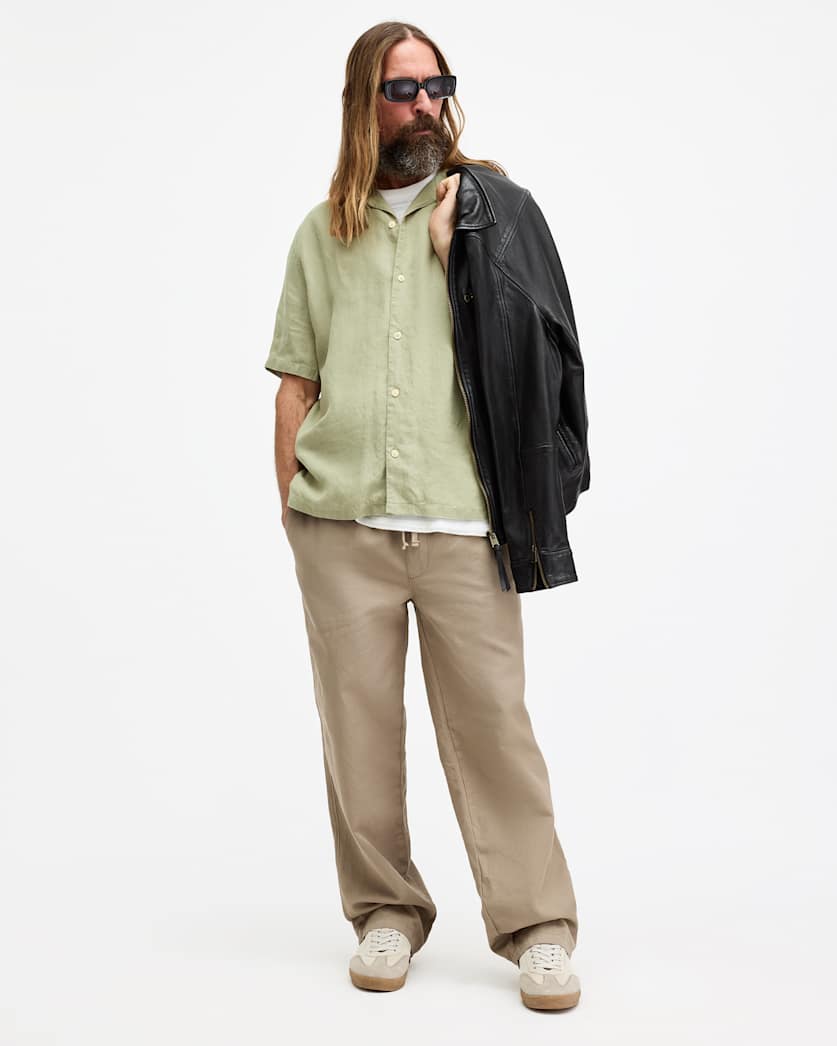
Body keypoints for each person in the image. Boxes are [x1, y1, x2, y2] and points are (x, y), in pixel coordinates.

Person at [265, 21, 582, 1011]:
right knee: (357, 734)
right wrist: (295, 513)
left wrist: (458, 253)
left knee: (495, 731)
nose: (423, 106)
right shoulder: (322, 232)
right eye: (401, 90)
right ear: (365, 103)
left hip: (464, 524)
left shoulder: (492, 212)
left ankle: (538, 926)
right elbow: (295, 382)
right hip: (341, 526)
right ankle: (385, 911)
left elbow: (542, 346)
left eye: (435, 85)